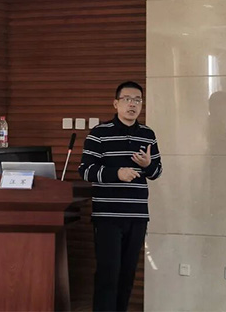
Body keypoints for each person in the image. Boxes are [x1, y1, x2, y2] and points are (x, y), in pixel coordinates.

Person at [78, 81, 162, 311]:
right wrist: (117, 174)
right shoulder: (99, 133)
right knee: (108, 275)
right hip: (108, 217)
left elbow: (157, 172)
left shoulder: (148, 134)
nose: (132, 104)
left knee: (127, 276)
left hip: (137, 216)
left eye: (137, 100)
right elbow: (85, 170)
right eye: (127, 99)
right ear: (116, 103)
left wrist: (147, 165)